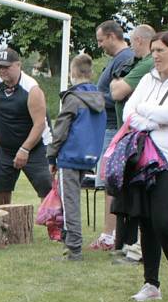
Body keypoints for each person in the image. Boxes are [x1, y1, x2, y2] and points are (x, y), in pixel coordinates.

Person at [122, 30, 168, 302]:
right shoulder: (146, 79)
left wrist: (145, 113)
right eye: (153, 51)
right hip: (141, 158)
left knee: (164, 222)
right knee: (146, 222)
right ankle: (151, 284)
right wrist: (149, 120)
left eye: (160, 51)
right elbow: (128, 110)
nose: (155, 56)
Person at [46, 54, 107, 261]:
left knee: (70, 201)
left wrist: (52, 157)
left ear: (73, 73)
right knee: (72, 199)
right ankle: (69, 241)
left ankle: (74, 248)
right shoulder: (100, 98)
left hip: (69, 157)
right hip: (89, 156)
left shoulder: (72, 99)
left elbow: (60, 130)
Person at [109, 24, 156, 263]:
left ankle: (137, 248)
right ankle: (128, 244)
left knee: (137, 193)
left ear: (138, 40)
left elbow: (117, 92)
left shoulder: (147, 64)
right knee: (127, 192)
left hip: (138, 141)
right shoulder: (141, 64)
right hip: (129, 137)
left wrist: (118, 83)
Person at [0, 48, 52, 205]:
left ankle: (53, 226)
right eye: (0, 67)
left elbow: (39, 124)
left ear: (18, 65)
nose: (2, 70)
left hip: (37, 147)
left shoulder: (32, 89)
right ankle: (2, 223)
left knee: (45, 185)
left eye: (7, 66)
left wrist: (25, 149)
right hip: (6, 149)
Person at [90, 20, 135, 251]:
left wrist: (93, 98)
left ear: (111, 36)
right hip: (107, 126)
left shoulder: (125, 59)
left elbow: (121, 94)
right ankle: (112, 233)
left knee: (111, 181)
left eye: (100, 40)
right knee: (108, 182)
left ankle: (110, 235)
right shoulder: (116, 61)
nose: (99, 45)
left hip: (114, 128)